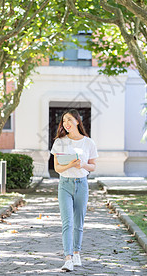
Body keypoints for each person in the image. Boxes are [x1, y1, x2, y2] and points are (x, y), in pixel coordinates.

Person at [50, 109, 98, 272]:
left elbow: (93, 166)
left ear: (77, 121)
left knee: (79, 222)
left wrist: (82, 164)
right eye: (64, 121)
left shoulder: (88, 143)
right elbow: (57, 168)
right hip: (65, 185)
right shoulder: (59, 142)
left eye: (69, 120)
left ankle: (77, 253)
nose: (66, 124)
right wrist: (71, 164)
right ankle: (68, 258)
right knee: (67, 222)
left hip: (82, 184)